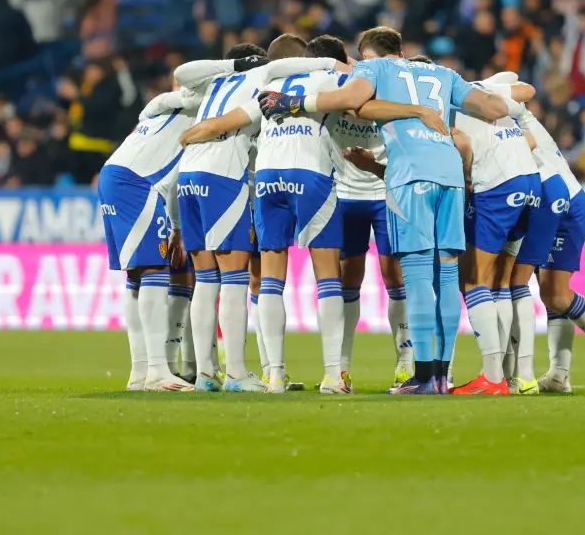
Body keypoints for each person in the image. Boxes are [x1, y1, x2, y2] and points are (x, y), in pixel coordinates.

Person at [260, 26, 519, 394]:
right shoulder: (443, 74)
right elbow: (493, 107)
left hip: (410, 178)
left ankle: (424, 377)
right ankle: (442, 377)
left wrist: (295, 103)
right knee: (446, 279)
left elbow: (352, 100)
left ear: (369, 55)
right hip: (449, 176)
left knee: (413, 278)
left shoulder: (374, 69)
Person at [168, 39, 340, 392]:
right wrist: (337, 64)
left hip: (188, 176)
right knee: (235, 277)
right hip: (222, 176)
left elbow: (181, 74)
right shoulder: (268, 78)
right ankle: (236, 374)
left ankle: (205, 374)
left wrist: (194, 130)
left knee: (205, 279)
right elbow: (236, 119)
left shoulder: (217, 82)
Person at [503, 77, 585, 391]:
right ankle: (559, 374)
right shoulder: (511, 119)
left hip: (564, 205)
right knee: (548, 295)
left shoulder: (514, 120)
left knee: (553, 293)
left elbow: (520, 89)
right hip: (543, 203)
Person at [311, 35, 413, 390]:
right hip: (345, 194)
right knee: (346, 280)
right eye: (362, 58)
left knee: (395, 277)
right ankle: (340, 369)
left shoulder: (399, 90)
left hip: (387, 192)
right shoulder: (341, 85)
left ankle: (406, 363)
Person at [98, 88, 200, 392]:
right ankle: (157, 370)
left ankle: (140, 371)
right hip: (137, 183)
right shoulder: (198, 111)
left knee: (137, 277)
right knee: (155, 272)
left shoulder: (161, 113)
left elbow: (154, 104)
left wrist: (177, 228)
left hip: (114, 174)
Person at [450, 75, 541, 396]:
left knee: (473, 279)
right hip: (530, 181)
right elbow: (530, 136)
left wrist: (464, 175)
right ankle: (504, 371)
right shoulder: (478, 92)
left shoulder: (442, 101)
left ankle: (492, 377)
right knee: (500, 282)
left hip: (498, 185)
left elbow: (461, 145)